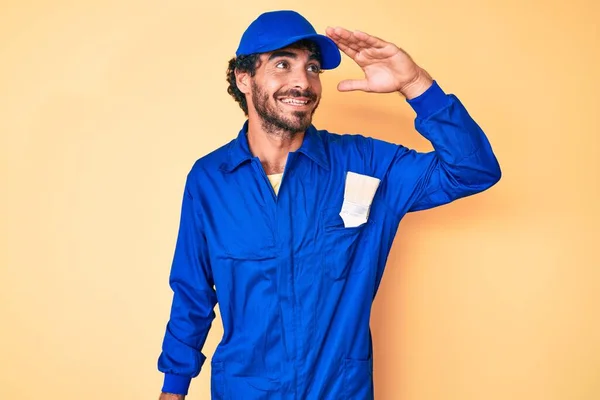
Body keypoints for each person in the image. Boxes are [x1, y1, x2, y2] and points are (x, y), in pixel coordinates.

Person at [156, 9, 501, 400]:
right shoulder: (210, 180)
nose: (302, 82)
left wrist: (415, 83)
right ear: (244, 78)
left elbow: (473, 170)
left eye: (313, 68)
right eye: (283, 64)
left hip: (339, 391)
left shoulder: (367, 166)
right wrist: (174, 389)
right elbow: (193, 293)